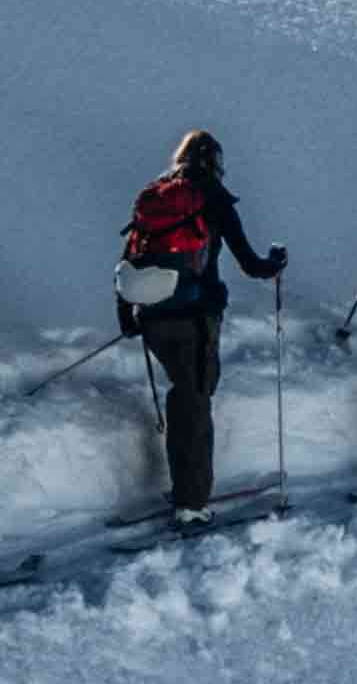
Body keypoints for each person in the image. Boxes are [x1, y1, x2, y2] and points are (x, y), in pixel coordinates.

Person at [116, 127, 293, 515]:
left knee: (184, 397)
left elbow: (128, 257)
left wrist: (125, 312)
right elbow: (249, 263)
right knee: (193, 404)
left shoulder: (153, 196)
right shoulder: (212, 196)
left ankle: (186, 488)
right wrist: (275, 264)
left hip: (151, 314)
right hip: (195, 316)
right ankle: (191, 502)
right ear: (216, 163)